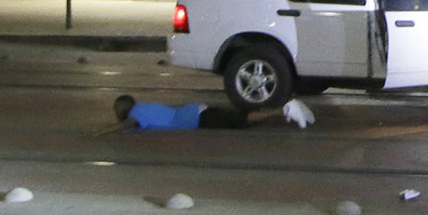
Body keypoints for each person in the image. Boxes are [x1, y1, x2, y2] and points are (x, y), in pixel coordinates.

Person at [113, 95, 314, 130]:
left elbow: (125, 125)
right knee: (240, 118)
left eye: (116, 109)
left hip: (197, 118)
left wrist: (100, 132)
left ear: (124, 108)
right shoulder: (142, 106)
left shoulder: (135, 114)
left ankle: (286, 109)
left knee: (241, 121)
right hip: (197, 111)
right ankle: (288, 108)